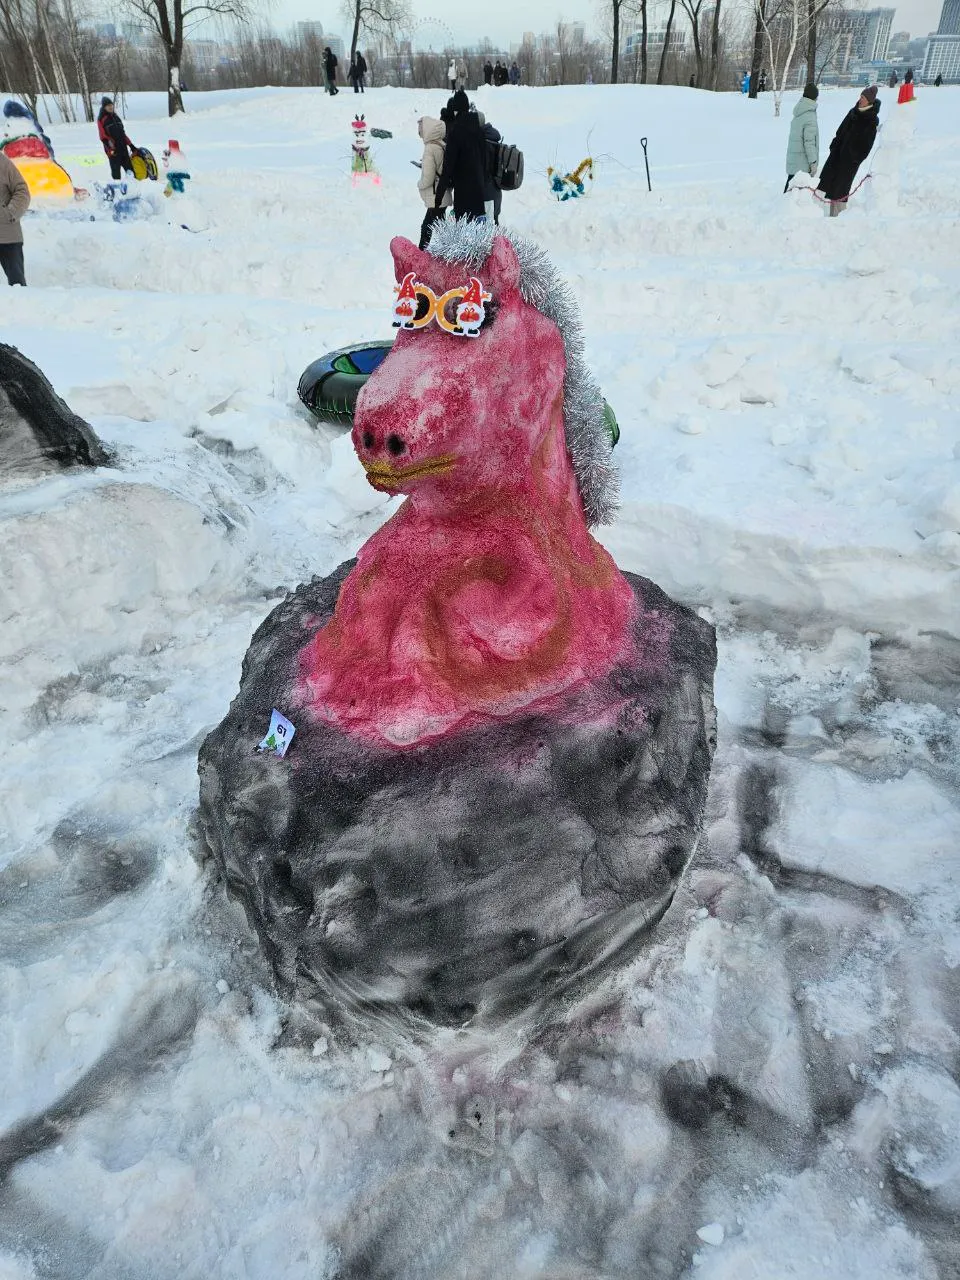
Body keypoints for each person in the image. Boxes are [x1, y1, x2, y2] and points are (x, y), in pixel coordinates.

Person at [816, 85, 880, 216]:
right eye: (860, 96)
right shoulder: (853, 112)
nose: (860, 99)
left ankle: (839, 219)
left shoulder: (871, 120)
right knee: (830, 187)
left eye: (863, 98)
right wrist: (834, 146)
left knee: (840, 191)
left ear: (869, 101)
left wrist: (854, 158)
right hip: (836, 156)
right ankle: (830, 217)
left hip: (849, 163)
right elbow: (840, 131)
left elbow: (867, 146)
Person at [435, 90, 486, 221]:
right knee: (479, 232)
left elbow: (448, 167)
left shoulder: (455, 132)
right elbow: (485, 160)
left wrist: (439, 195)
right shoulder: (479, 130)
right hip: (479, 195)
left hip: (463, 196)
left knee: (464, 231)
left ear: (456, 110)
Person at [416, 115, 452, 250]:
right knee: (440, 226)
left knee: (427, 227)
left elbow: (428, 177)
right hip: (443, 193)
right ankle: (449, 251)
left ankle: (421, 254)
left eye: (421, 129)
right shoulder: (442, 145)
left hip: (435, 194)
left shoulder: (430, 148)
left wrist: (419, 184)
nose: (419, 132)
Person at [0, 149, 29, 286]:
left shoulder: (3, 163)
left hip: (7, 236)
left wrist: (10, 213)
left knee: (17, 285)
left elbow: (22, 190)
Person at [784, 82, 819, 192]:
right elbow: (809, 142)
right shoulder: (809, 115)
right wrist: (813, 162)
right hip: (802, 164)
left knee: (789, 190)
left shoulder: (799, 111)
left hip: (794, 160)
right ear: (815, 97)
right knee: (795, 195)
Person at [97, 97, 135, 180]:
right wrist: (111, 149)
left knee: (131, 173)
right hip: (113, 151)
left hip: (123, 149)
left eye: (111, 105)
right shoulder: (102, 119)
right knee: (116, 175)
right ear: (104, 107)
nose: (110, 107)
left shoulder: (116, 118)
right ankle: (117, 187)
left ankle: (132, 187)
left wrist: (131, 145)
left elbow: (123, 134)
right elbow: (103, 137)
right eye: (108, 106)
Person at [476, 110, 502, 223]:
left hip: (485, 195)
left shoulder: (484, 143)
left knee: (486, 228)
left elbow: (483, 172)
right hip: (494, 191)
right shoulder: (493, 140)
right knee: (493, 223)